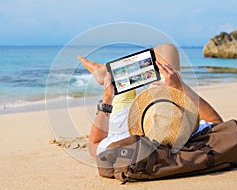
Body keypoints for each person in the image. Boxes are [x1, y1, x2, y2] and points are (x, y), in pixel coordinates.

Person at [78, 43, 223, 157]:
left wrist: (107, 99)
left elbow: (93, 143)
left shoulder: (121, 138)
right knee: (167, 51)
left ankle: (103, 72)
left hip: (124, 116)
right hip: (156, 113)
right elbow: (217, 122)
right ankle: (104, 72)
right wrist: (179, 85)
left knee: (166, 50)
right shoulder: (186, 132)